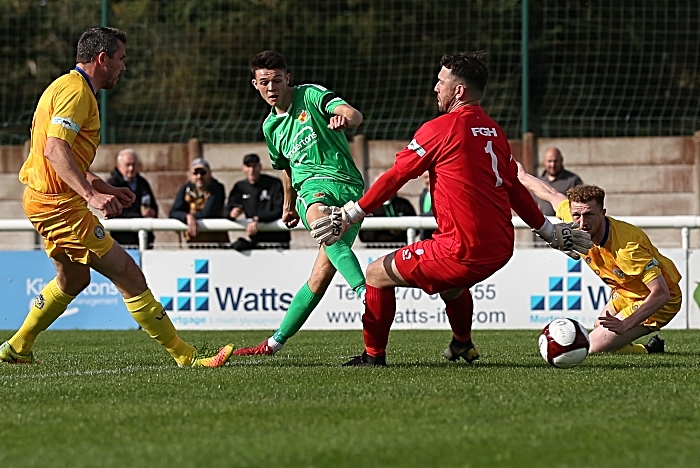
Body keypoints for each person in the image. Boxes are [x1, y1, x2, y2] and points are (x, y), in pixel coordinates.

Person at [310, 51, 592, 366]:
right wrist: (548, 230)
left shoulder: (441, 128)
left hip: (462, 247)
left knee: (376, 274)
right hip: (500, 246)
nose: (435, 88)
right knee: (452, 284)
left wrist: (351, 214)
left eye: (441, 82)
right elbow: (513, 186)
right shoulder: (495, 131)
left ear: (458, 91)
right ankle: (462, 344)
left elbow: (396, 177)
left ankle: (373, 357)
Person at [0, 27, 232, 367]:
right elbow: (54, 149)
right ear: (102, 59)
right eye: (121, 59)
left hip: (44, 199)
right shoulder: (77, 93)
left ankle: (17, 347)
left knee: (74, 278)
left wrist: (104, 187)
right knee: (129, 274)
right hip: (59, 205)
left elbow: (65, 158)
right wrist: (91, 194)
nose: (124, 67)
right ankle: (186, 356)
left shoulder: (64, 87)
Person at [232, 50, 367, 356]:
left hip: (348, 185)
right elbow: (287, 169)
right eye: (264, 82)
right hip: (312, 188)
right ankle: (272, 344)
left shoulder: (310, 95)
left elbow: (353, 113)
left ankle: (366, 293)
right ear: (255, 84)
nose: (271, 88)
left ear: (287, 79)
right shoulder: (270, 128)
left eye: (277, 80)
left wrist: (345, 118)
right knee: (319, 261)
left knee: (322, 269)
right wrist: (289, 204)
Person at [517, 163, 678, 355]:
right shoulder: (575, 219)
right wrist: (522, 175)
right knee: (600, 331)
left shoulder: (628, 247)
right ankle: (649, 349)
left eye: (589, 215)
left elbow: (662, 293)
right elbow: (550, 193)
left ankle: (644, 348)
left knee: (590, 347)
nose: (582, 223)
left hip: (658, 299)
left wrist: (626, 324)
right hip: (626, 291)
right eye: (576, 215)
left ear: (603, 213)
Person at [226, 153, 289, 251]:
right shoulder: (239, 187)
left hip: (278, 241)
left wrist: (258, 219)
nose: (252, 170)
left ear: (260, 167)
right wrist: (232, 214)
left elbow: (280, 210)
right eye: (248, 166)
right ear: (243, 168)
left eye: (254, 166)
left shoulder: (274, 184)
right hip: (256, 241)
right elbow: (227, 211)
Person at [169, 158, 229, 247]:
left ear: (210, 174)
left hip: (216, 242)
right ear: (190, 175)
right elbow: (173, 213)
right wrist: (187, 216)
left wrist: (192, 217)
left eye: (203, 173)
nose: (199, 176)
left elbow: (208, 213)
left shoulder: (217, 189)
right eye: (195, 173)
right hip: (194, 242)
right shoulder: (186, 189)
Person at [106, 148, 158, 248]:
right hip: (122, 240)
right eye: (127, 165)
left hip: (144, 238)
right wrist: (139, 216)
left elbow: (154, 206)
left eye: (134, 165)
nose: (131, 168)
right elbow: (112, 211)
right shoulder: (112, 184)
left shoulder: (143, 183)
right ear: (119, 166)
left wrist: (152, 212)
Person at [358, 172, 416, 247]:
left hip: (400, 247)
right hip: (373, 249)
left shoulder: (404, 204)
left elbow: (415, 227)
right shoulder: (368, 206)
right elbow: (363, 233)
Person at [535, 147, 583, 216]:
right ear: (544, 162)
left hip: (566, 225)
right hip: (544, 225)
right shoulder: (538, 182)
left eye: (555, 161)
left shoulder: (573, 180)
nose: (553, 165)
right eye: (549, 161)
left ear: (561, 160)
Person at [418, 171, 435, 240]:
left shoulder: (441, 193)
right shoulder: (423, 194)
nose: (428, 180)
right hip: (426, 237)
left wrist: (420, 216)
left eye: (429, 176)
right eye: (425, 177)